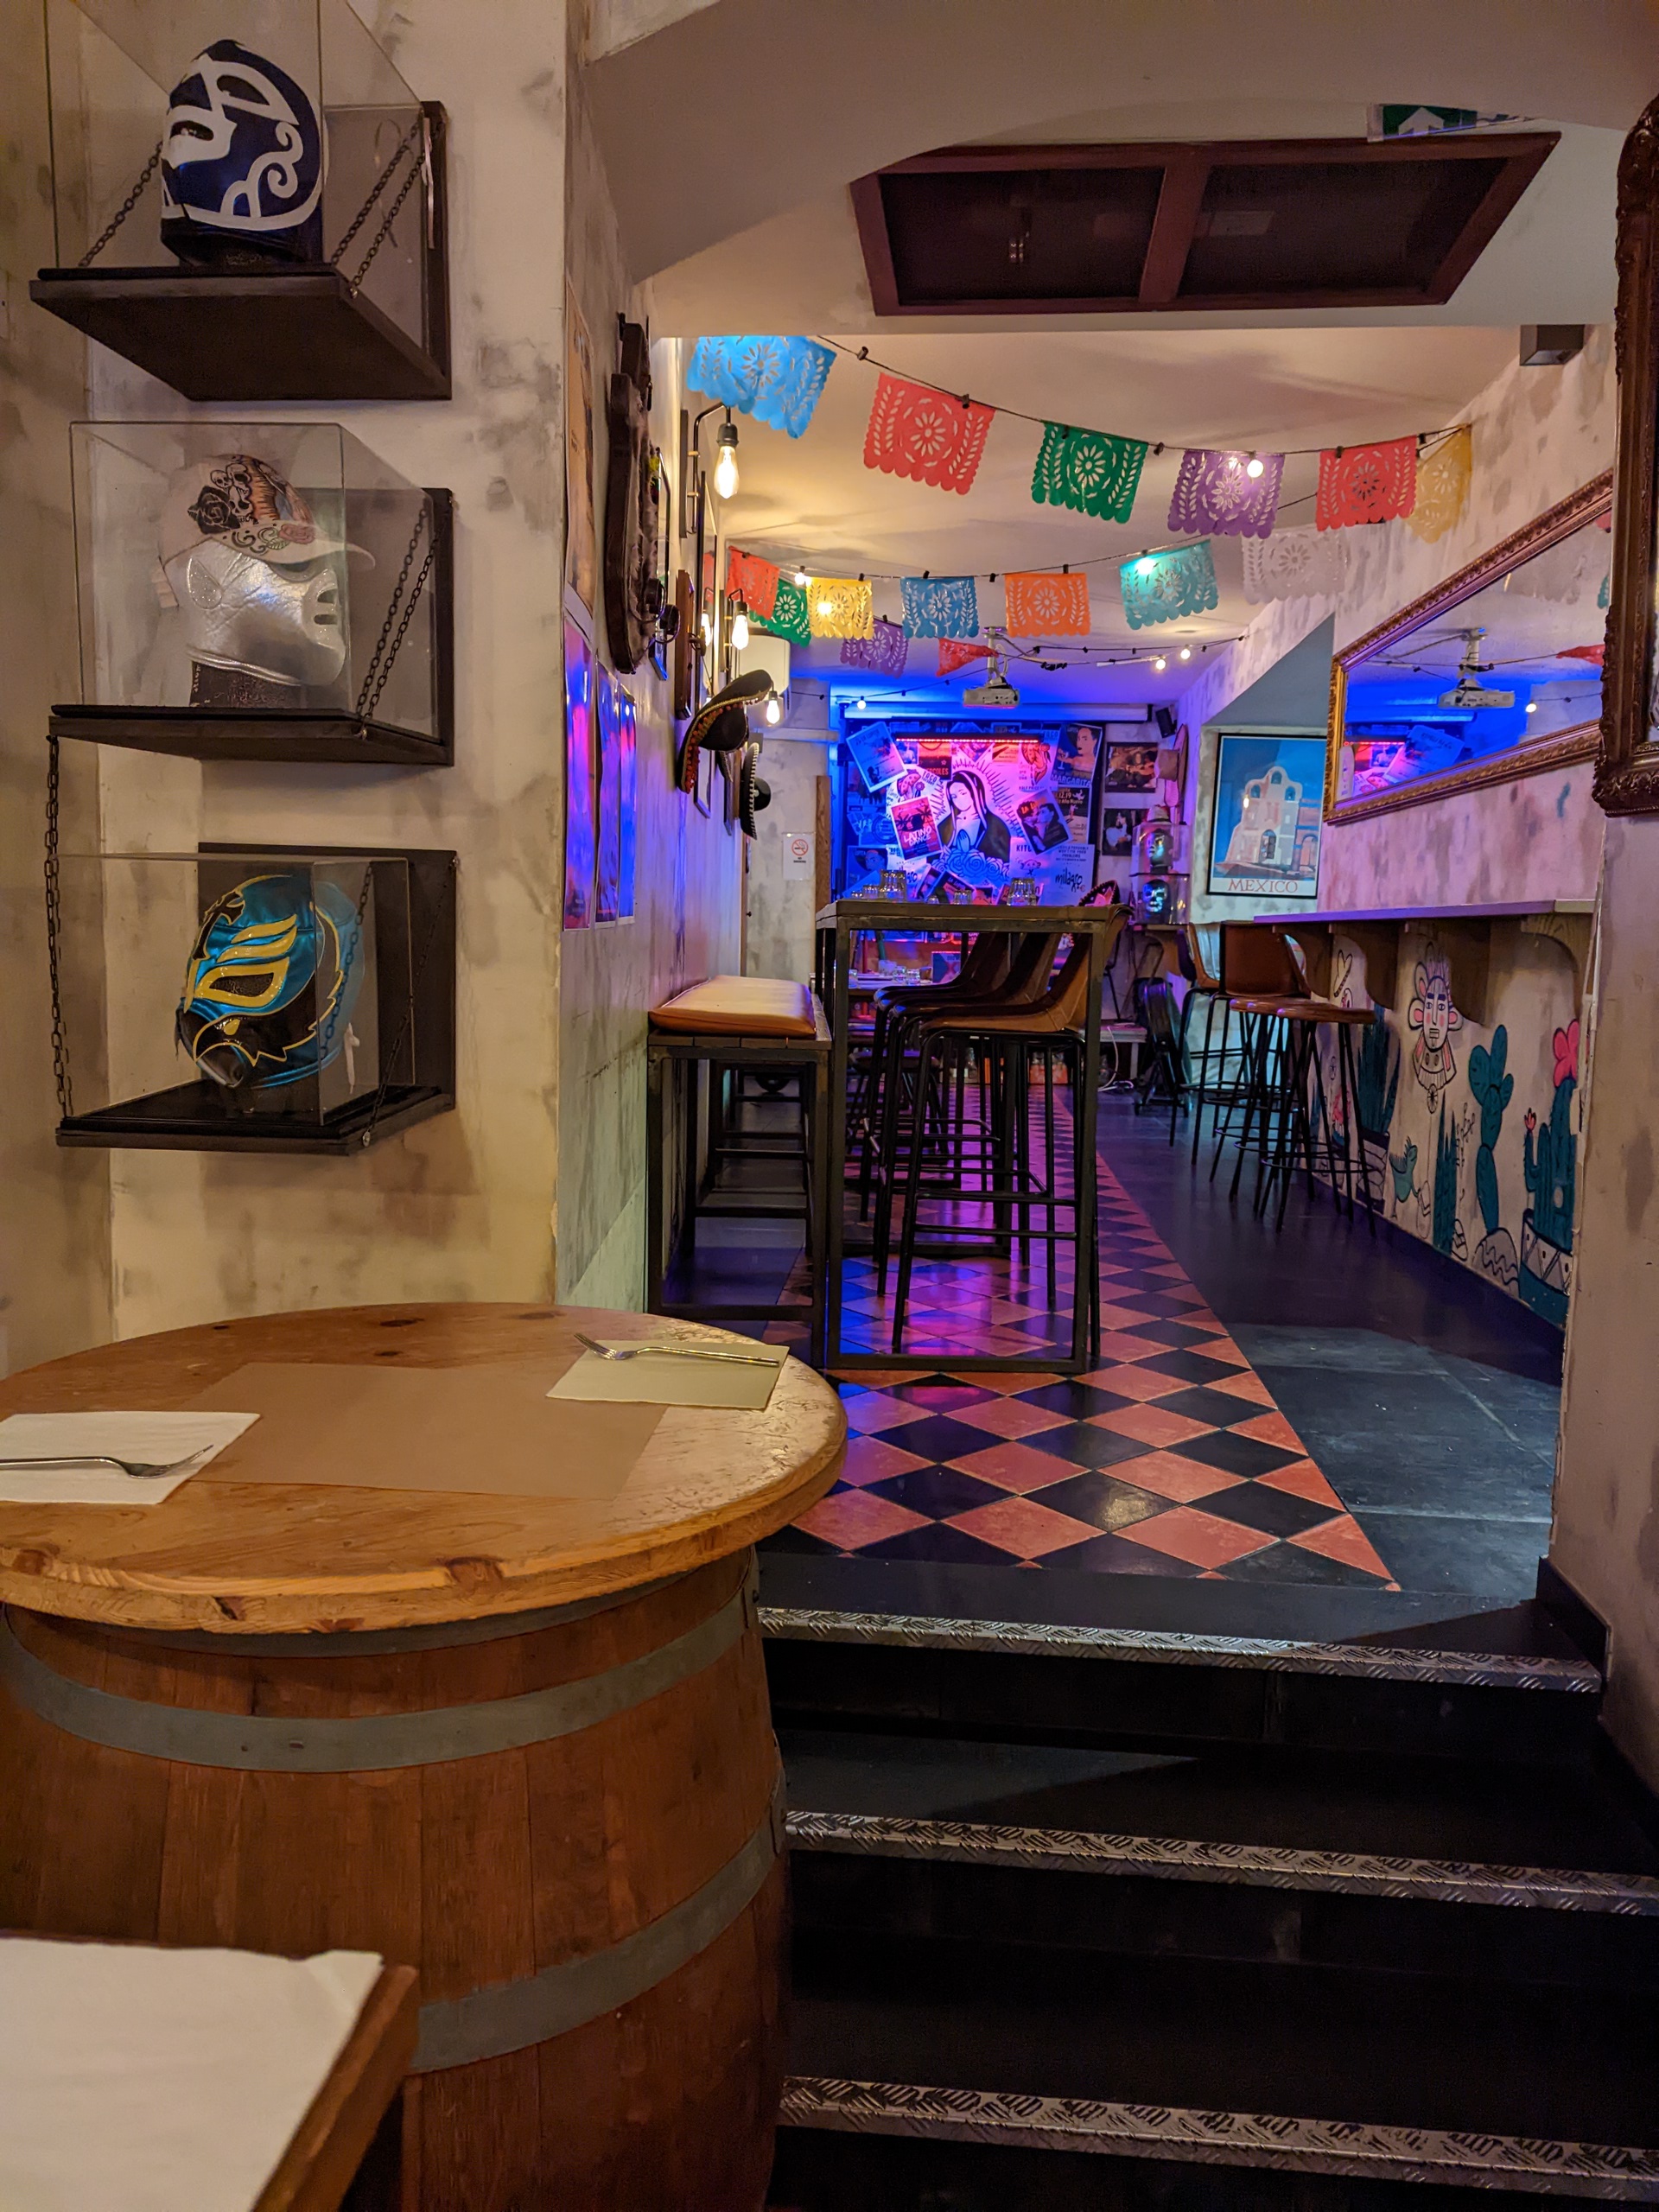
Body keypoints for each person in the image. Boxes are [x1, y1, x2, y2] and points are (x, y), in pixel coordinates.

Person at [945, 766, 1011, 863]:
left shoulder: (995, 824)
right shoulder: (945, 825)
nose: (958, 800)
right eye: (954, 797)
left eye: (963, 793)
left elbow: (1008, 860)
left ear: (974, 792)